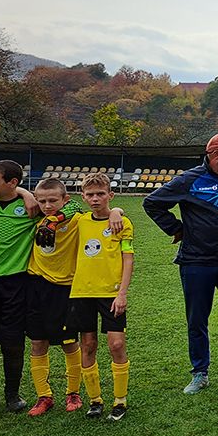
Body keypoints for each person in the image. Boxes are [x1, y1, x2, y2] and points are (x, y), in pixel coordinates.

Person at [143, 133, 218, 394]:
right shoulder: (189, 180)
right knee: (197, 320)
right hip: (195, 263)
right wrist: (177, 229)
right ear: (216, 155)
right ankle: (200, 373)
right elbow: (152, 203)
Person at [24, 178, 97, 416]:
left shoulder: (75, 219)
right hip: (36, 285)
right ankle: (43, 396)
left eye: (53, 200)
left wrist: (116, 211)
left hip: (65, 288)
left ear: (64, 199)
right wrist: (26, 194)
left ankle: (72, 392)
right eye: (42, 201)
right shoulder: (34, 216)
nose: (47, 206)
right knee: (37, 342)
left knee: (69, 342)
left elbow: (83, 207)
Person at [68, 173, 134, 420]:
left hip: (111, 293)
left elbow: (128, 258)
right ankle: (95, 400)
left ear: (110, 195)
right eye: (90, 195)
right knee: (88, 345)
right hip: (82, 292)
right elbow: (59, 203)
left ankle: (120, 400)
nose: (95, 199)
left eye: (100, 194)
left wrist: (122, 293)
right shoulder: (79, 221)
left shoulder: (122, 223)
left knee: (116, 344)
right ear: (83, 197)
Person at [0, 160, 43, 413]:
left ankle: (12, 394)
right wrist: (23, 190)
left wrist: (26, 194)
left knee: (12, 342)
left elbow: (71, 207)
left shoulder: (31, 208)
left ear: (11, 182)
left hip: (16, 283)